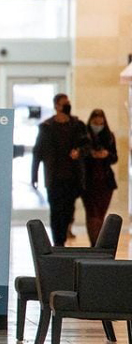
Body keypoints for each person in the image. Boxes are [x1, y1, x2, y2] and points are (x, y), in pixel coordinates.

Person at [32, 93, 90, 246]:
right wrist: (34, 176)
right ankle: (58, 242)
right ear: (56, 106)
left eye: (68, 102)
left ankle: (63, 237)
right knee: (56, 210)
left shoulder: (77, 125)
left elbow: (87, 145)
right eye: (65, 103)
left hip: (72, 177)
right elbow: (37, 153)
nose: (67, 105)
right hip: (54, 177)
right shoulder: (47, 127)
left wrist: (79, 152)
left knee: (68, 210)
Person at [81, 109, 117, 246]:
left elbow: (115, 158)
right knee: (92, 214)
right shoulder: (84, 136)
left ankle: (99, 245)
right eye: (95, 118)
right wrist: (91, 154)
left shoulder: (109, 136)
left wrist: (106, 154)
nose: (98, 121)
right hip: (89, 181)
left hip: (105, 181)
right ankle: (94, 244)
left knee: (101, 214)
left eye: (100, 118)